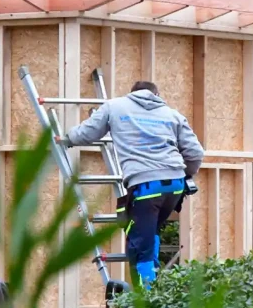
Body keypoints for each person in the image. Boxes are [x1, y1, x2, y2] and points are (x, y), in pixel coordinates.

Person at [58, 80, 204, 287]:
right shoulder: (172, 114)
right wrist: (187, 174)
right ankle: (154, 284)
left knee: (138, 246)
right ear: (156, 94)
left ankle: (147, 299)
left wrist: (67, 139)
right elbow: (196, 153)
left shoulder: (114, 106)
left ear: (132, 93)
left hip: (146, 186)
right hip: (175, 185)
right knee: (148, 232)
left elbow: (88, 132)